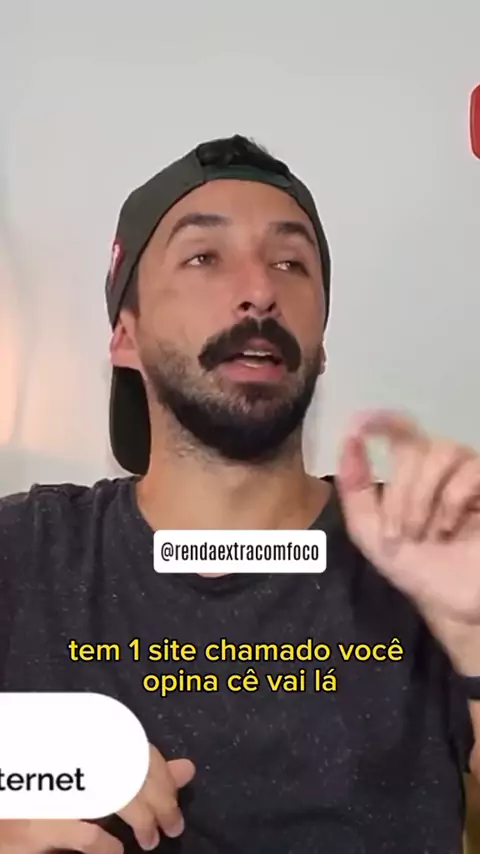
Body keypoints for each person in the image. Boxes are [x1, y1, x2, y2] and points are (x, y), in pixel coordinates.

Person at [0, 134, 479, 854]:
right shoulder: (25, 552)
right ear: (125, 337)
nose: (261, 289)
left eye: (291, 262)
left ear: (320, 345)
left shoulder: (433, 544)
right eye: (204, 257)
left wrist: (474, 635)